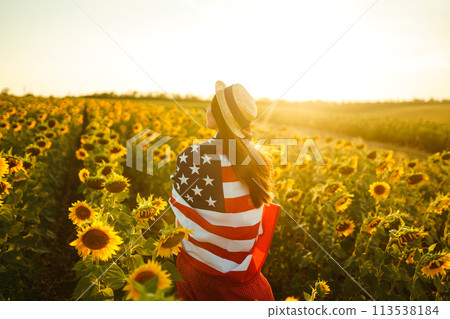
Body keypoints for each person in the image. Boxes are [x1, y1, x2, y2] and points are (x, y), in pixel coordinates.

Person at [168, 80, 280, 301]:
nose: (206, 109)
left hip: (201, 272)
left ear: (219, 115)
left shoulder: (196, 155)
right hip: (245, 272)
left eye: (211, 105)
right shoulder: (259, 158)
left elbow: (179, 212)